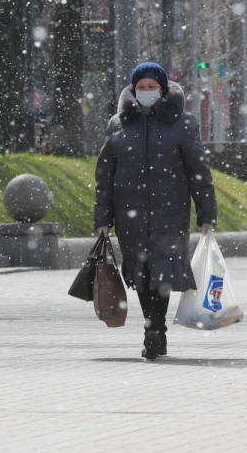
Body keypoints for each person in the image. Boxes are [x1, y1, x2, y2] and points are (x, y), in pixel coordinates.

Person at [94, 62, 218, 361]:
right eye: (142, 88)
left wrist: (207, 215)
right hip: (130, 213)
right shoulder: (118, 124)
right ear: (134, 90)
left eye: (152, 87)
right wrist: (102, 218)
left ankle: (155, 330)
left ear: (163, 89)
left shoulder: (183, 123)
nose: (147, 92)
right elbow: (105, 176)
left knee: (162, 271)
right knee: (139, 272)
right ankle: (154, 328)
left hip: (170, 214)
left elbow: (198, 172)